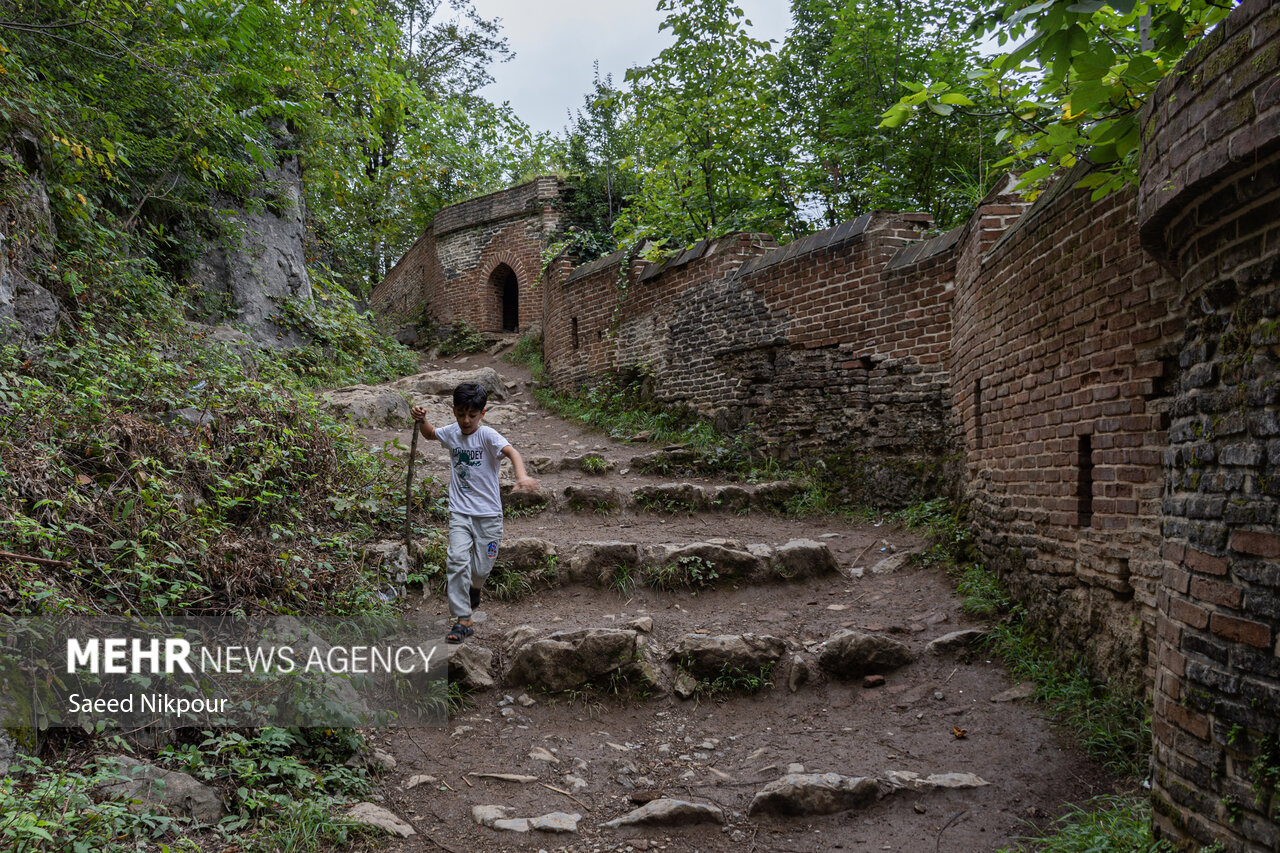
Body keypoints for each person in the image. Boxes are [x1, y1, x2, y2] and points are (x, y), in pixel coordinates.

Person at [411, 382, 538, 643]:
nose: (465, 421)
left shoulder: (488, 436)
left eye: (472, 415)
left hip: (489, 515)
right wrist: (423, 420)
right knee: (457, 559)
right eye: (460, 414)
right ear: (454, 411)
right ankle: (462, 620)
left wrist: (522, 476)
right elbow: (431, 434)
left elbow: (512, 452)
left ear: (483, 412)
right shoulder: (452, 432)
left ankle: (475, 589)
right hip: (460, 512)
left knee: (481, 568)